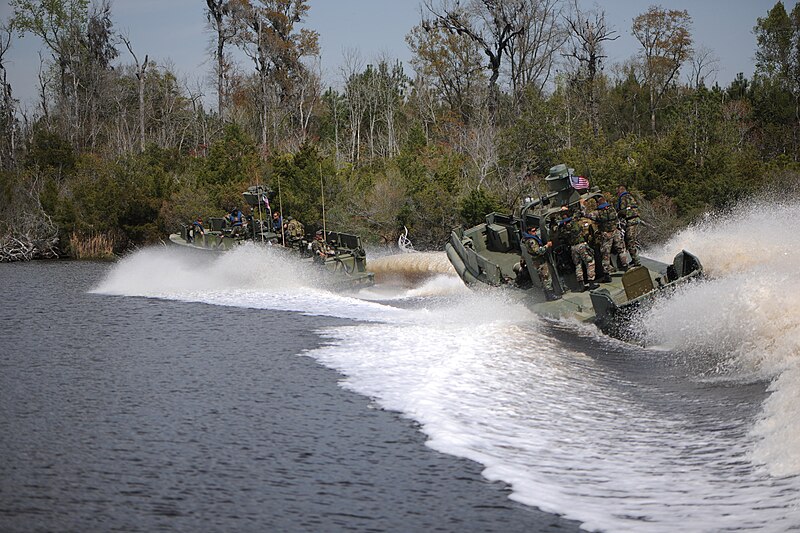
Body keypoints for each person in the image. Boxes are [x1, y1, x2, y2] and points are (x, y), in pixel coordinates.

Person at [585, 195, 629, 282]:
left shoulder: (598, 213)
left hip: (606, 234)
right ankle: (625, 266)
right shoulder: (612, 209)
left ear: (598, 203)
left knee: (605, 254)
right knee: (621, 249)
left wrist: (582, 208)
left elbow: (588, 215)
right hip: (615, 231)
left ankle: (607, 274)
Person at [557, 206, 599, 291]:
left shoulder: (562, 227)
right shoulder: (574, 221)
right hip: (581, 245)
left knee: (578, 265)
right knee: (589, 262)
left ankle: (581, 285)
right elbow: (578, 213)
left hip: (573, 247)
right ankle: (591, 282)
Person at [521, 229, 559, 301]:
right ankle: (551, 295)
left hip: (537, 261)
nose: (535, 232)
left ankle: (547, 295)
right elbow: (538, 251)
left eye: (535, 230)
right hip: (539, 261)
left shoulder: (527, 239)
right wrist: (547, 245)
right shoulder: (531, 241)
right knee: (546, 278)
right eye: (533, 231)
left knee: (543, 278)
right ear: (529, 232)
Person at [616, 185, 642, 266]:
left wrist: (617, 214)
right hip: (635, 219)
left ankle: (636, 261)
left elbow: (623, 211)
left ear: (620, 191)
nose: (617, 194)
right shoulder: (630, 196)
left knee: (629, 240)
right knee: (629, 240)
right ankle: (634, 259)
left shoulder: (623, 197)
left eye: (617, 192)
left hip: (631, 220)